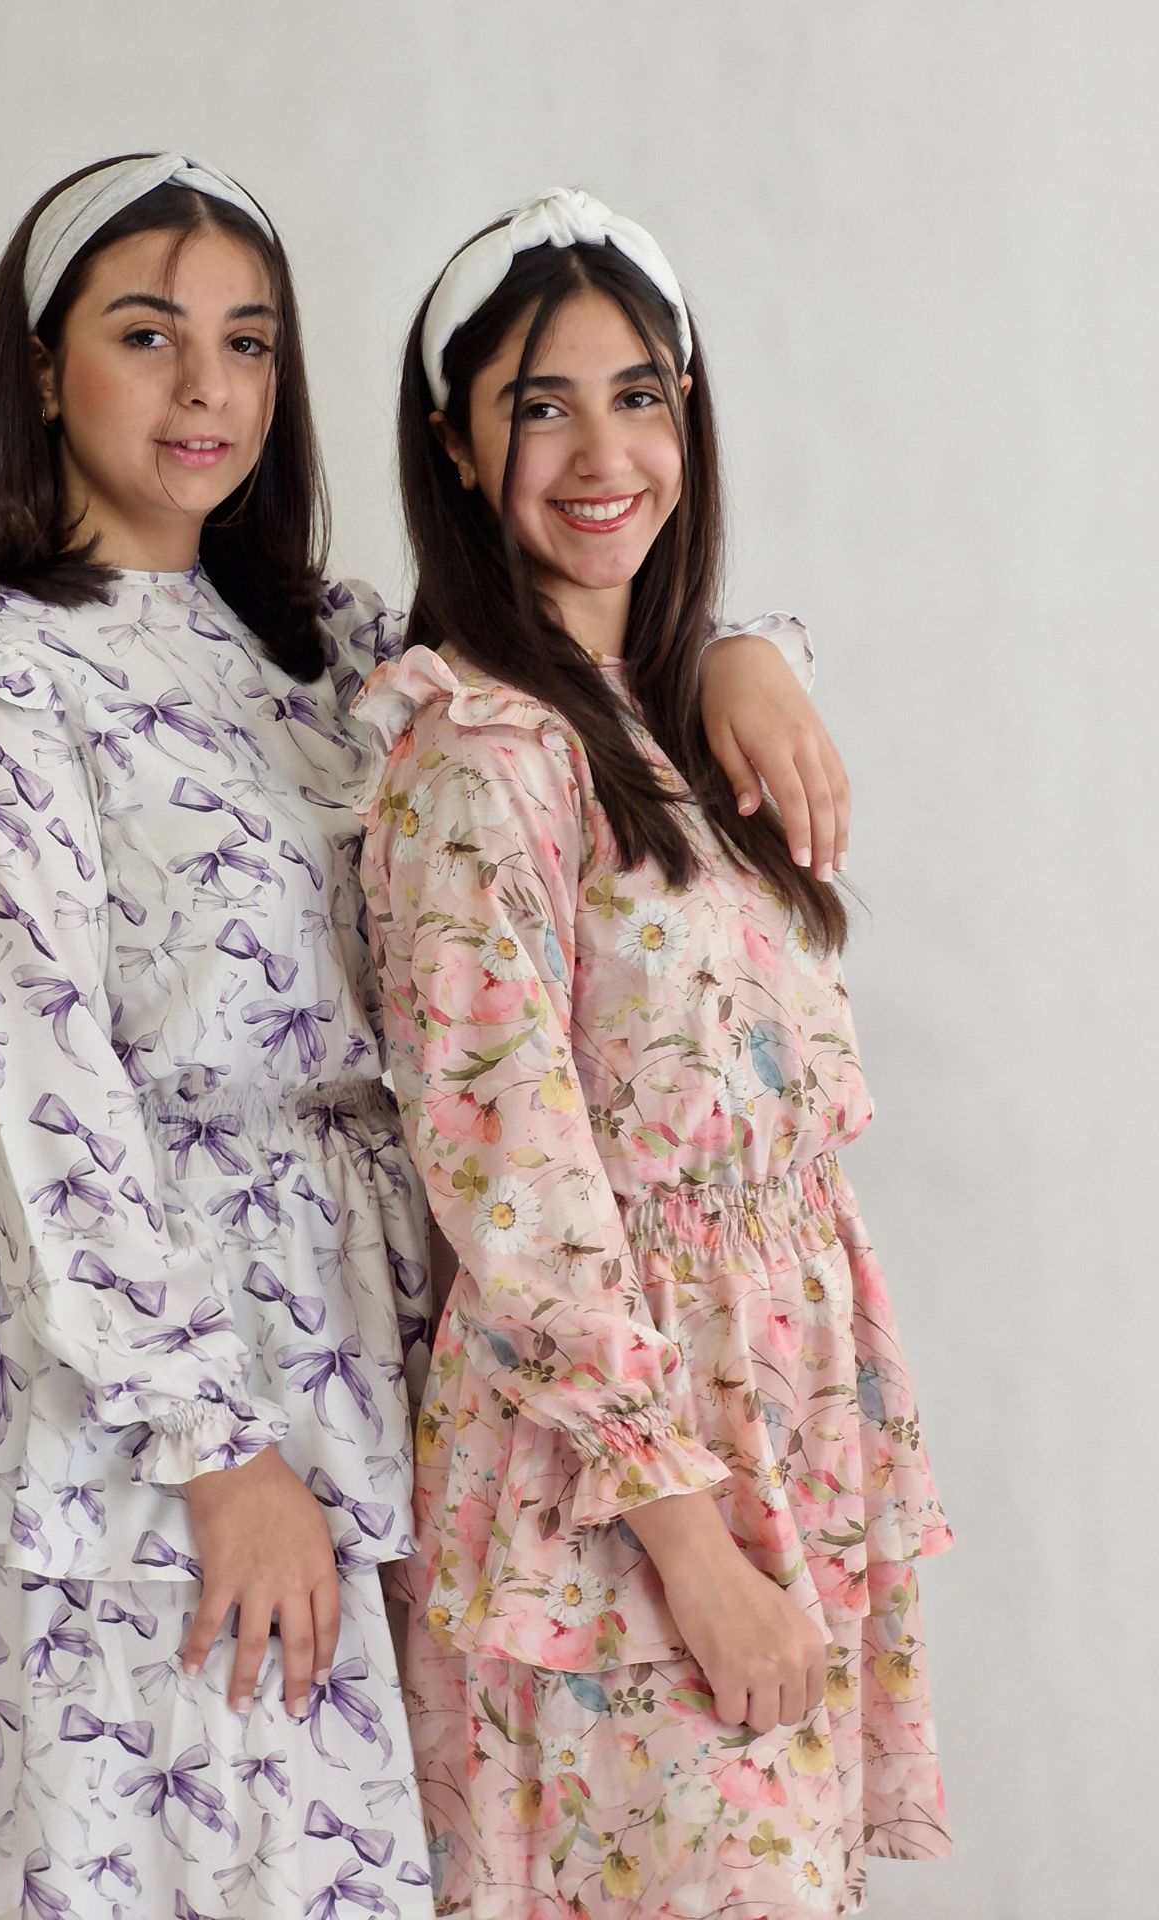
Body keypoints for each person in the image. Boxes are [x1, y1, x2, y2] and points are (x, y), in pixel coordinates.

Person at [0, 154, 853, 1918]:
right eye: (147, 335)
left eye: (248, 343)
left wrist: (737, 653)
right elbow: (37, 1113)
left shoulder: (316, 648)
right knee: (195, 1853)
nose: (206, 388)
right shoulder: (0, 692)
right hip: (168, 1405)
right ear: (40, 372)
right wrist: (219, 1453)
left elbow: (554, 629)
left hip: (378, 1356)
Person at [356, 190, 953, 1920]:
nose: (601, 454)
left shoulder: (680, 711)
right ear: (457, 446)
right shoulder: (482, 762)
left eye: (638, 396)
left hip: (776, 1413)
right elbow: (515, 1189)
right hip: (615, 1481)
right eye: (538, 405)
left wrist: (750, 650)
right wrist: (694, 1551)